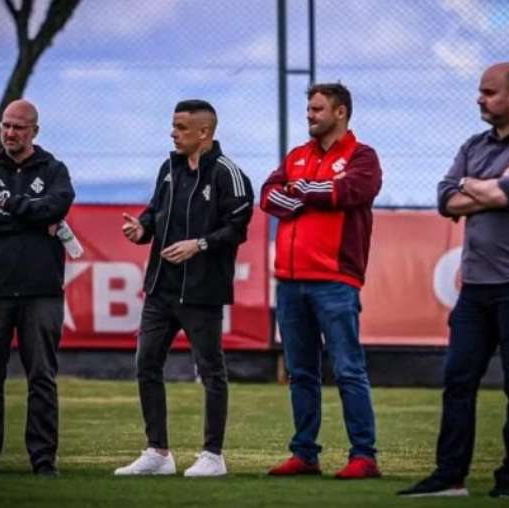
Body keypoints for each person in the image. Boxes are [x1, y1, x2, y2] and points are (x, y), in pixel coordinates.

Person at [397, 62, 509, 498]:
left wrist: (476, 188)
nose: (480, 99)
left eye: (489, 92)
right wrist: (487, 187)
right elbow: (445, 199)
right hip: (476, 286)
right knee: (458, 378)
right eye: (480, 91)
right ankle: (450, 477)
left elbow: (501, 194)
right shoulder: (474, 145)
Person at [115, 100, 254, 477]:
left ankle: (213, 456)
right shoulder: (169, 168)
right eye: (173, 126)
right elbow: (154, 212)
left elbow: (237, 229)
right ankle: (158, 452)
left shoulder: (229, 174)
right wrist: (142, 228)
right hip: (160, 288)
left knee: (211, 370)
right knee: (146, 364)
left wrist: (200, 245)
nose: (173, 134)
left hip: (202, 292)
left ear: (204, 132)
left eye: (181, 128)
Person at [261, 83, 383, 479]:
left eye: (317, 109)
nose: (310, 115)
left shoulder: (362, 156)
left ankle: (363, 456)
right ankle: (305, 453)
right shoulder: (297, 155)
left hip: (335, 280)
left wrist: (300, 191)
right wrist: (308, 194)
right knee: (300, 373)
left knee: (348, 370)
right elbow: (268, 195)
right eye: (309, 109)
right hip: (289, 281)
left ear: (340, 112)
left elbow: (351, 191)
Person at [0, 99, 75, 477]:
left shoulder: (54, 170)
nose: (10, 133)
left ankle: (43, 459)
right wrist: (31, 217)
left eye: (18, 127)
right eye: (6, 126)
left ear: (34, 131)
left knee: (41, 378)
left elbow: (56, 207)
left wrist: (8, 206)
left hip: (41, 291)